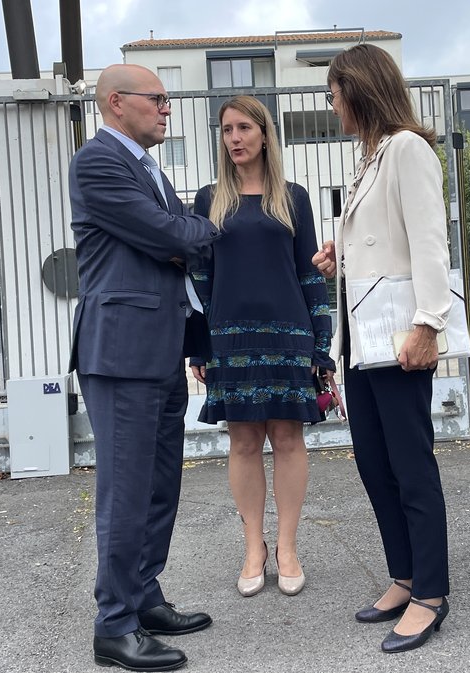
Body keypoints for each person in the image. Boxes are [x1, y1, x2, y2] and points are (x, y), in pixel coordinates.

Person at [68, 64, 219, 673]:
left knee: (160, 485)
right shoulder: (99, 162)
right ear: (114, 103)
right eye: (155, 99)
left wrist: (187, 234)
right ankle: (114, 625)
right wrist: (207, 227)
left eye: (167, 99)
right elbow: (166, 233)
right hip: (121, 352)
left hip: (158, 349)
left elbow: (176, 238)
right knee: (126, 491)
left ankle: (144, 595)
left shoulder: (148, 168)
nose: (166, 108)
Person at [311, 44, 452, 654]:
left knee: (410, 466)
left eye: (334, 92)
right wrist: (339, 258)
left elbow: (429, 244)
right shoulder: (366, 158)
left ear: (360, 89)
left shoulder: (407, 149)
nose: (332, 104)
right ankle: (404, 575)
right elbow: (384, 242)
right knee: (373, 463)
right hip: (361, 341)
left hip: (399, 338)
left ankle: (432, 592)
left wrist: (429, 323)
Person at [188, 96, 335, 598]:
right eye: (227, 129)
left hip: (289, 335)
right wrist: (198, 347)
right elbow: (199, 279)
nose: (234, 137)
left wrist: (323, 344)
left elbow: (309, 272)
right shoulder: (208, 199)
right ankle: (255, 547)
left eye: (244, 127)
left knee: (289, 440)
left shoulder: (293, 197)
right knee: (244, 441)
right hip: (229, 338)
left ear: (265, 134)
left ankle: (288, 547)